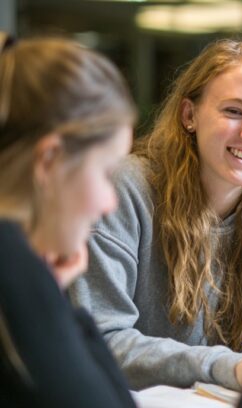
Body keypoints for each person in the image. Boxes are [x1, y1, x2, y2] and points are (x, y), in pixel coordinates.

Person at [69, 39, 242, 391]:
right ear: (189, 115)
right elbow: (102, 338)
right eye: (234, 111)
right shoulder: (124, 189)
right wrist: (229, 366)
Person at [0, 35, 136, 407]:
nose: (110, 203)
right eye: (106, 173)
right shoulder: (11, 266)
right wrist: (52, 299)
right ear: (49, 161)